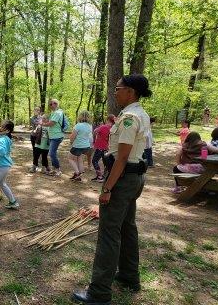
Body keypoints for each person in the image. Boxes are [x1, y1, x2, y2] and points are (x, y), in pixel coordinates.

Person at [72, 74, 152, 305]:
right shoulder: (140, 113)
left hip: (123, 178)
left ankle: (98, 293)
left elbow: (123, 157)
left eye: (118, 88)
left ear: (130, 91)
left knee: (109, 233)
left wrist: (107, 187)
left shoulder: (129, 117)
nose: (115, 92)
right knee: (127, 227)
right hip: (135, 178)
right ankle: (129, 277)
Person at [41, 99, 64, 176]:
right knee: (53, 153)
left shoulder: (58, 112)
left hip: (56, 136)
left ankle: (58, 170)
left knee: (51, 153)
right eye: (50, 104)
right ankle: (54, 169)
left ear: (56, 104)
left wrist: (42, 124)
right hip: (52, 136)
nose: (51, 105)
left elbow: (51, 123)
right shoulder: (53, 112)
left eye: (52, 104)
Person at [68, 110, 93, 181]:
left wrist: (71, 142)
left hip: (78, 146)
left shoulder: (78, 125)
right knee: (79, 159)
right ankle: (79, 174)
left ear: (80, 116)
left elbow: (72, 136)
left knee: (70, 158)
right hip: (86, 146)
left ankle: (77, 172)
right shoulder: (90, 126)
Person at [91, 115, 115, 182]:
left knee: (94, 161)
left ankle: (100, 176)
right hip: (107, 148)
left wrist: (94, 140)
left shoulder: (104, 127)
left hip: (100, 147)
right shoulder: (113, 128)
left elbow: (95, 131)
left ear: (107, 119)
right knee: (106, 162)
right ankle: (104, 177)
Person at [29, 107, 42, 172]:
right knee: (34, 150)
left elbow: (41, 125)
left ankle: (39, 165)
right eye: (35, 110)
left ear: (40, 111)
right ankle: (35, 165)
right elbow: (34, 124)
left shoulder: (42, 118)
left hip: (39, 136)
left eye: (38, 110)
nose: (37, 111)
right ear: (34, 111)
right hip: (33, 136)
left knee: (39, 150)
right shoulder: (31, 118)